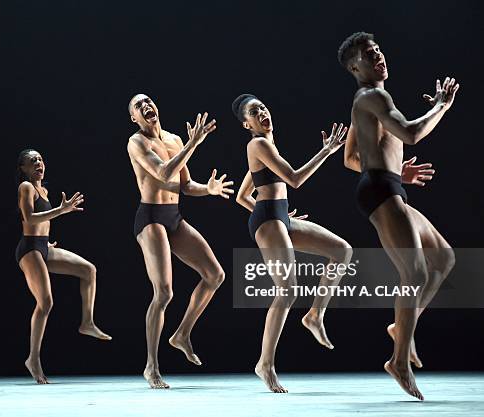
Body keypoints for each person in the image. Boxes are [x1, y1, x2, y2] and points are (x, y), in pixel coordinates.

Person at [338, 31, 458, 400]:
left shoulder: (362, 100)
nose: (379, 57)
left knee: (443, 258)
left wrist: (395, 170)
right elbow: (411, 133)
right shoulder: (373, 95)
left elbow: (350, 158)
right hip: (380, 190)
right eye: (369, 55)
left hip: (385, 184)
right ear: (356, 67)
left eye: (379, 51)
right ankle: (399, 361)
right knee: (416, 272)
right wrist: (441, 106)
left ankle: (402, 328)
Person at [232, 94, 351, 393]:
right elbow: (295, 179)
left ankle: (315, 315)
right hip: (269, 220)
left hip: (278, 217)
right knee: (287, 291)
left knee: (342, 251)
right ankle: (265, 364)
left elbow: (242, 195)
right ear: (247, 124)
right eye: (253, 112)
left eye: (262, 107)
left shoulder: (266, 147)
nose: (261, 112)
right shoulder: (257, 144)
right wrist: (326, 151)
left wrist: (279, 213)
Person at [126, 94, 234, 388]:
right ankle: (151, 366)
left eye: (148, 101)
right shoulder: (136, 143)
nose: (146, 106)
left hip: (173, 216)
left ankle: (182, 333)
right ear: (134, 117)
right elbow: (162, 171)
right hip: (149, 218)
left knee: (215, 275)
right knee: (163, 293)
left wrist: (208, 189)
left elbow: (185, 185)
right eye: (138, 106)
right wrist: (193, 145)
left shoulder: (174, 139)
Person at [16, 149, 111, 384]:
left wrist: (47, 240)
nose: (38, 163)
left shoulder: (44, 190)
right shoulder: (25, 187)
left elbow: (43, 222)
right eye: (32, 161)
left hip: (44, 247)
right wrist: (61, 210)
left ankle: (87, 322)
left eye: (40, 159)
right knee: (45, 302)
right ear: (23, 169)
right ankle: (33, 359)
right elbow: (29, 219)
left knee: (88, 270)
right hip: (29, 249)